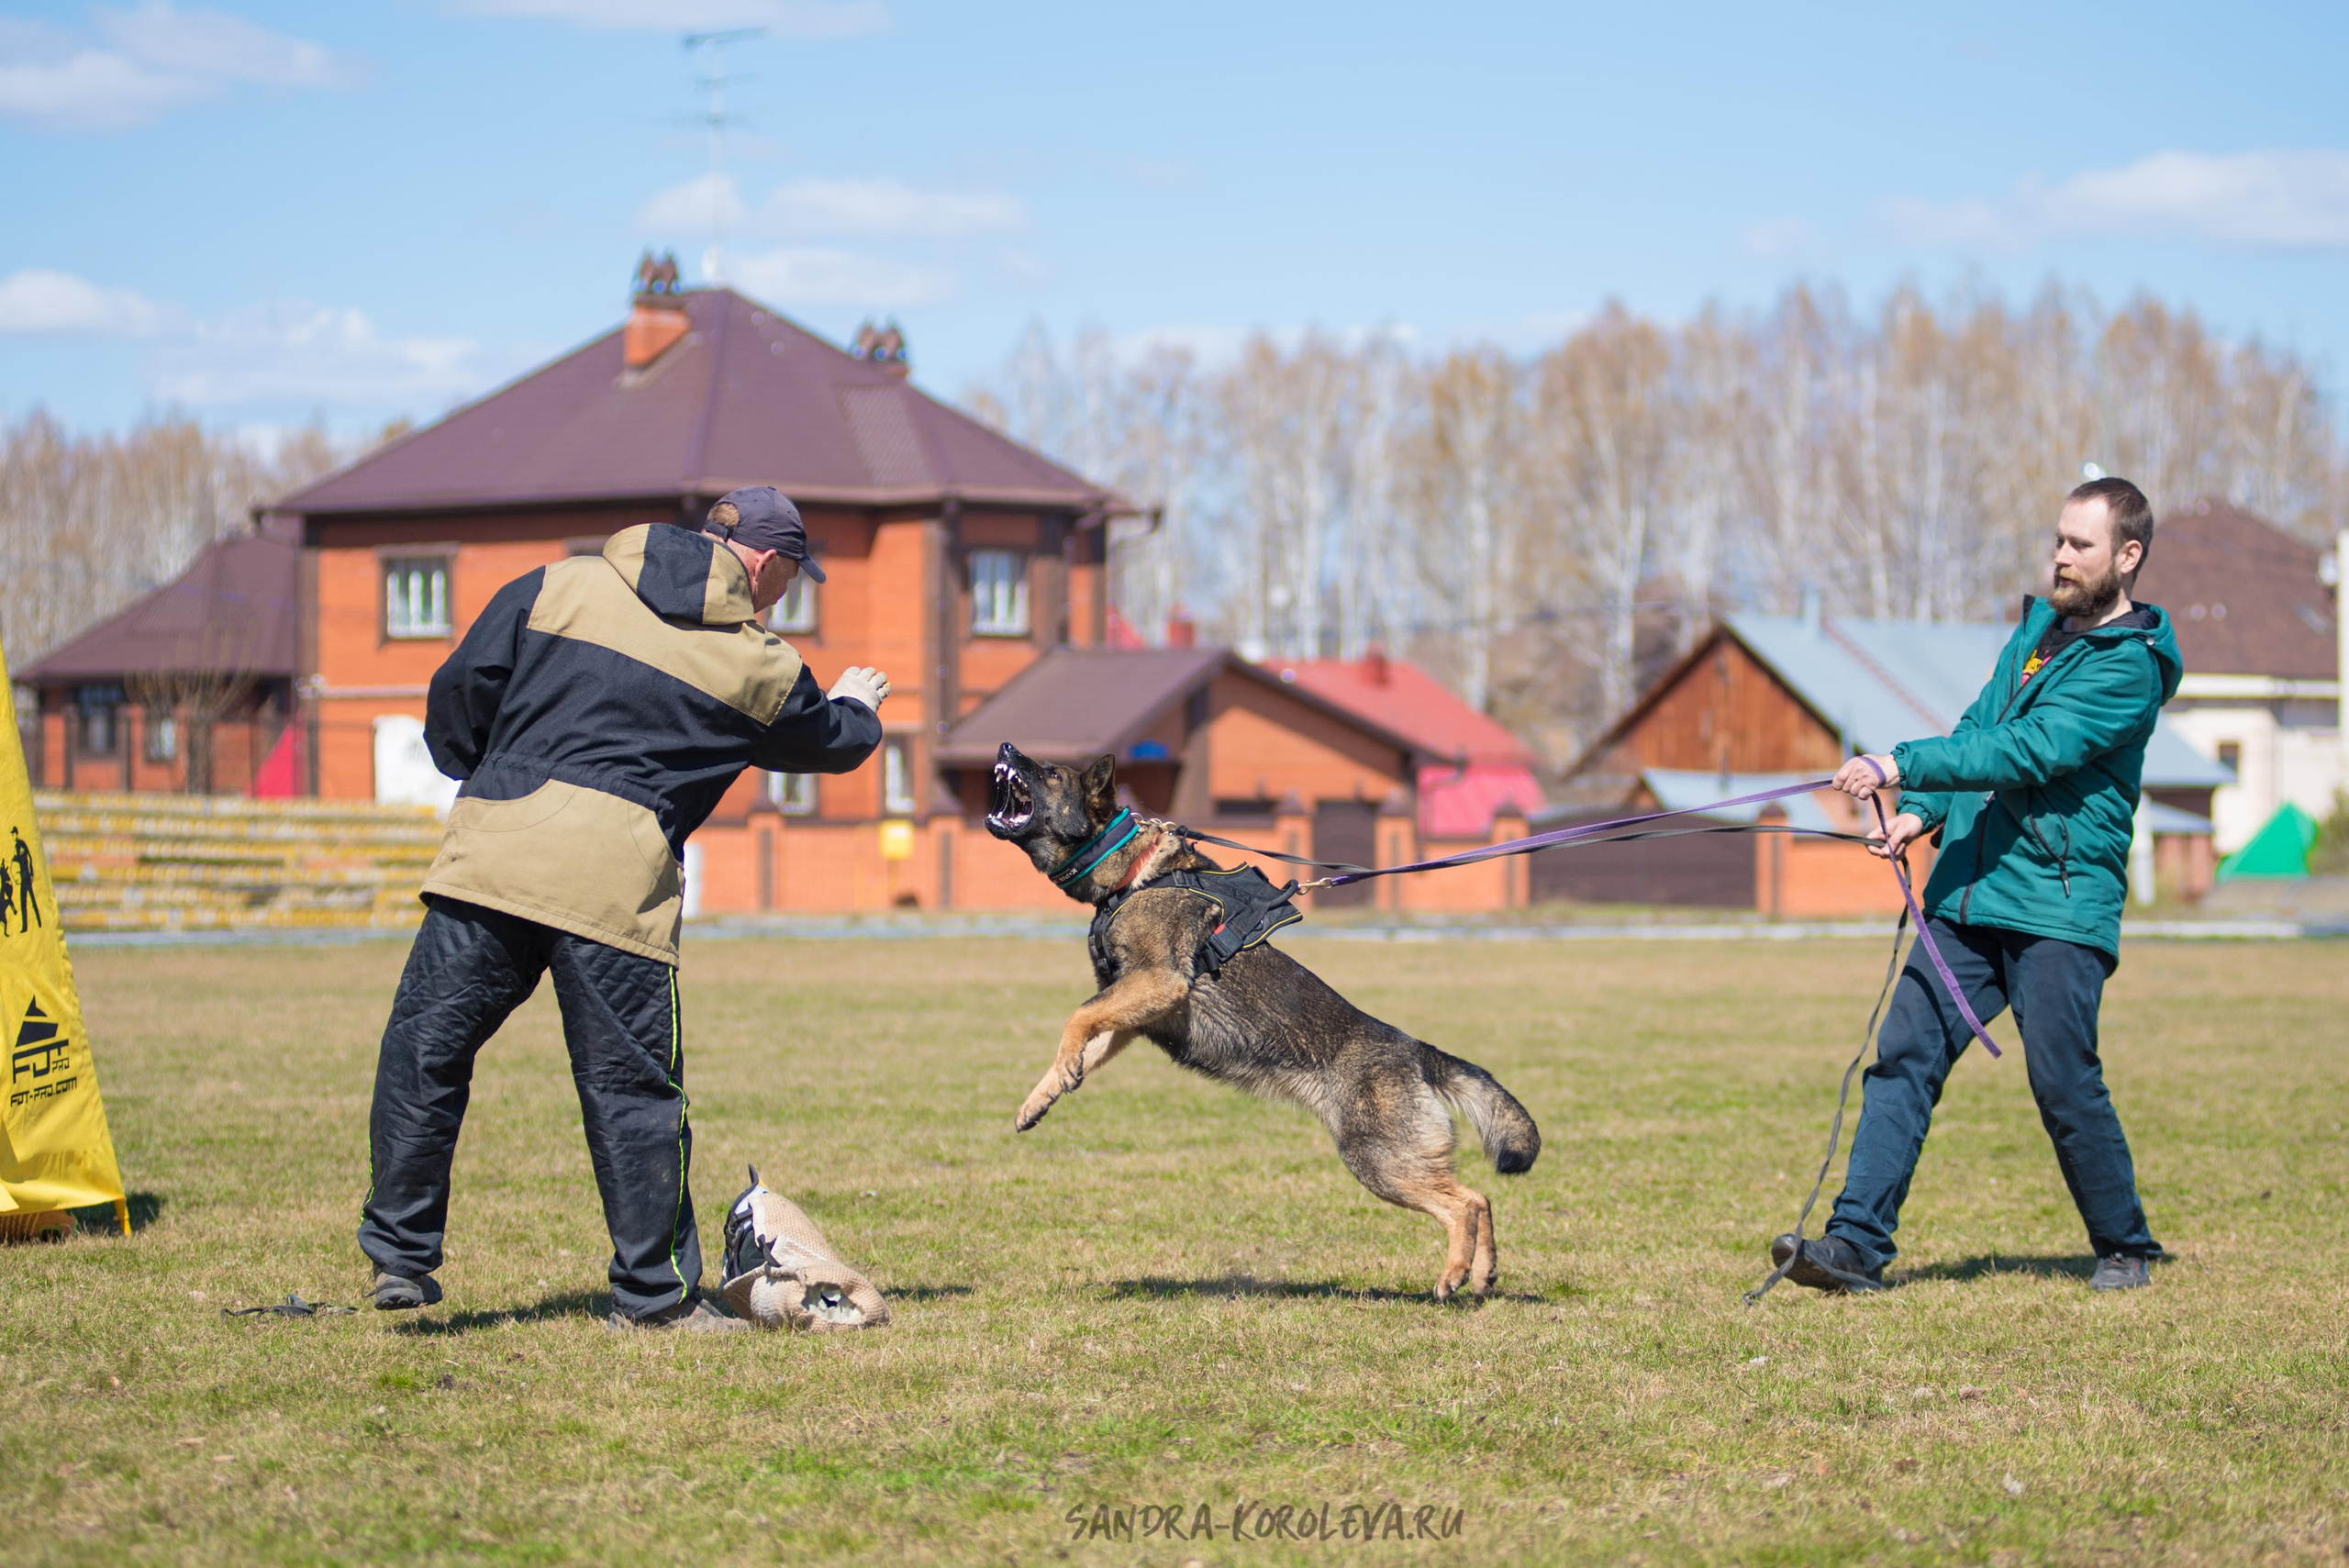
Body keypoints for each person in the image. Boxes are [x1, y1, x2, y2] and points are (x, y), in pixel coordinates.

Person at [358, 487, 886, 1329]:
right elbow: (835, 742)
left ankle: (400, 1257)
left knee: (425, 1046)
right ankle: (654, 1299)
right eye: (792, 574)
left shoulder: (556, 583)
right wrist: (861, 702)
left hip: (492, 854)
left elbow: (459, 690)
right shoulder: (760, 663)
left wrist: (491, 781)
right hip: (616, 888)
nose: (787, 591)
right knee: (633, 1091)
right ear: (764, 562)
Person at [1772, 476, 2176, 1295]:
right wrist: (1920, 811)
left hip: (2058, 903)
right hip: (1969, 891)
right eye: (2058, 539)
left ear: (2127, 556)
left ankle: (2125, 1245)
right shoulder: (2035, 635)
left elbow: (2029, 750)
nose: (2062, 555)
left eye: (2081, 544)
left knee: (2062, 1077)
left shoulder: (2128, 669)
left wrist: (1899, 761)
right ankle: (1854, 1246)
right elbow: (1979, 731)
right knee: (1905, 1055)